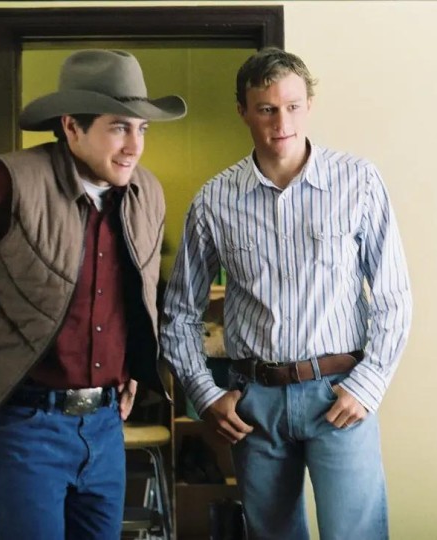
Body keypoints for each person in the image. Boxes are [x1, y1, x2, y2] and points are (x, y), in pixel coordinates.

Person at [0, 49, 186, 539]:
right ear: (71, 127)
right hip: (27, 425)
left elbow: (138, 289)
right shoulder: (7, 183)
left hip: (106, 425)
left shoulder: (147, 192)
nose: (134, 146)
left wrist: (135, 363)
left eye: (142, 129)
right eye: (119, 127)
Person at [161, 47, 412, 539]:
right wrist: (205, 394)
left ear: (309, 105)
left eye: (293, 106)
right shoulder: (213, 201)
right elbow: (179, 313)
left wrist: (369, 384)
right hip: (255, 403)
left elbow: (393, 296)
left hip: (338, 393)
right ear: (243, 112)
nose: (282, 123)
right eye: (267, 109)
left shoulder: (358, 181)